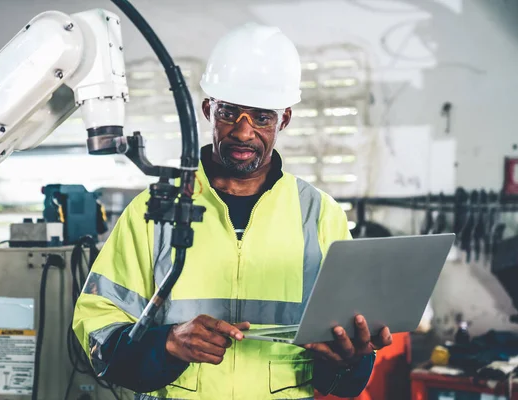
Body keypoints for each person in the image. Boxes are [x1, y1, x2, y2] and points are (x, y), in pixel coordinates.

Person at [73, 22, 393, 399]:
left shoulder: (320, 214)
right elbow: (98, 326)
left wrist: (351, 358)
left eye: (261, 117)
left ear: (283, 120)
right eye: (229, 113)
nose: (243, 133)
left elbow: (343, 363)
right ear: (209, 110)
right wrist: (167, 344)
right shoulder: (154, 210)